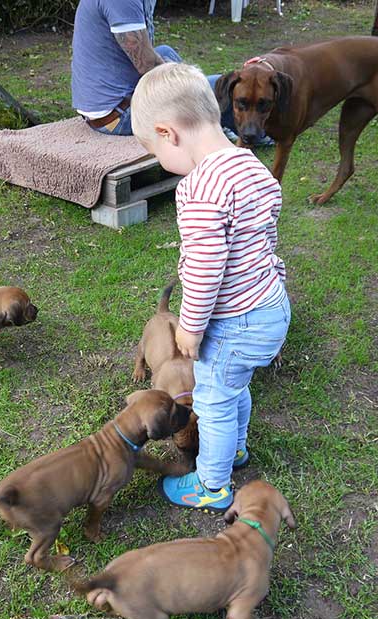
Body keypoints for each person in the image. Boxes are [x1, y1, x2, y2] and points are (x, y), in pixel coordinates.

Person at [130, 63, 291, 512]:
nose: (163, 163)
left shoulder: (200, 187)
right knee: (235, 385)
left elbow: (205, 265)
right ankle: (236, 449)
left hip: (236, 321)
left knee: (213, 398)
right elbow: (267, 237)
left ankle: (213, 483)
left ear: (169, 133)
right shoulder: (250, 165)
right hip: (271, 306)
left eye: (155, 151)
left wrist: (192, 327)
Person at [71, 0, 181, 135]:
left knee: (166, 52)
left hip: (105, 105)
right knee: (211, 89)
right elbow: (148, 66)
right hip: (118, 117)